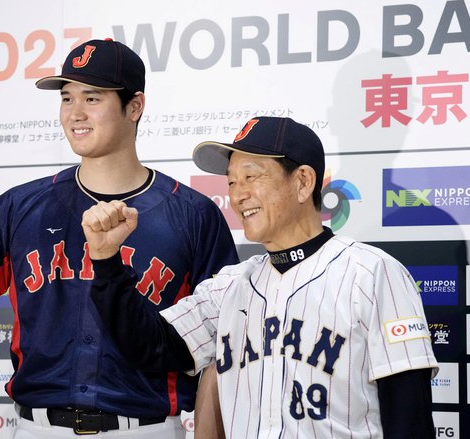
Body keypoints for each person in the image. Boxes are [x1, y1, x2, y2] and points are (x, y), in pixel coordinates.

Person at [0, 38, 238, 439]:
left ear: (134, 107)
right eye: (66, 98)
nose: (75, 113)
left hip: (145, 429)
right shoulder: (19, 207)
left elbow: (221, 349)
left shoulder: (193, 215)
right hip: (35, 427)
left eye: (92, 98)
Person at [82, 116, 439, 438]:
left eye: (251, 177)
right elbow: (148, 345)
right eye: (232, 181)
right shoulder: (231, 285)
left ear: (302, 182)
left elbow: (409, 416)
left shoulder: (372, 273)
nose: (237, 194)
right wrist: (106, 260)